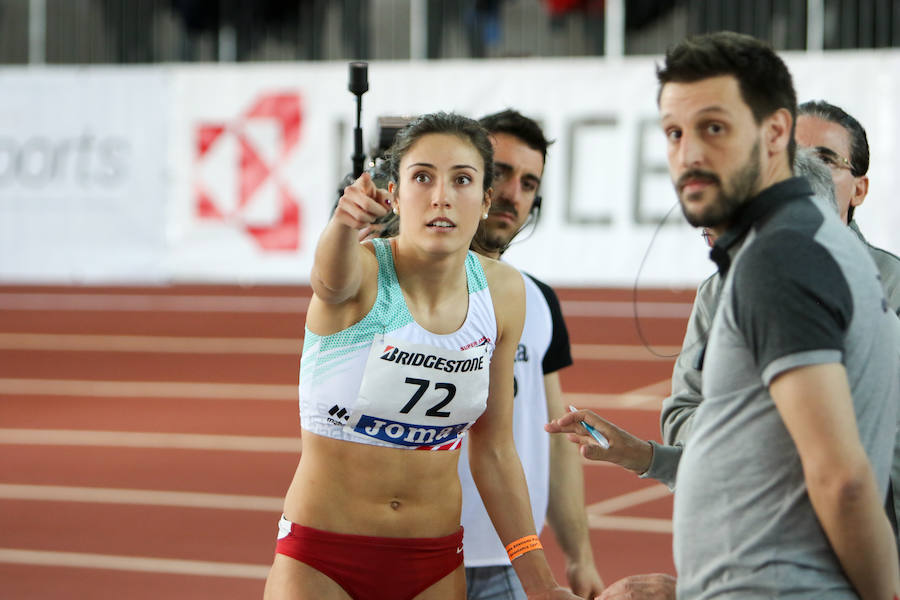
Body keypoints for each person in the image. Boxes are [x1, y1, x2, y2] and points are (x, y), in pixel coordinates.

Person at [550, 31, 900, 598]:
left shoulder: (783, 261)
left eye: (715, 128)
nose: (689, 153)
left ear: (774, 137)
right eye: (673, 132)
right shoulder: (826, 257)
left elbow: (844, 482)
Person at [264, 112, 580, 600]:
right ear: (394, 193)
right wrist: (344, 225)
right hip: (324, 559)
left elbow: (494, 451)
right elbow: (328, 281)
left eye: (462, 180)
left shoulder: (503, 295)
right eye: (422, 177)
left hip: (432, 565)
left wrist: (540, 581)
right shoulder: (362, 272)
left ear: (484, 199)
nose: (442, 196)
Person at [457, 109, 605, 599]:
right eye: (500, 173)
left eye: (529, 182)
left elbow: (553, 440)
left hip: (512, 567)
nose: (513, 193)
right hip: (422, 559)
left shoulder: (538, 301)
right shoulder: (402, 288)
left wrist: (580, 557)